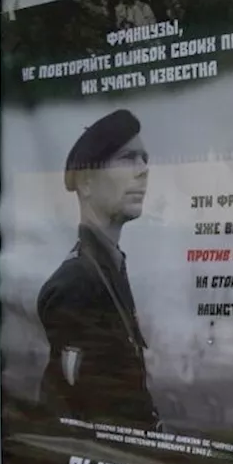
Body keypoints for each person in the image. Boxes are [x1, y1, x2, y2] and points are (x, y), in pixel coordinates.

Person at [37, 108, 157, 430]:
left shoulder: (107, 267)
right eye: (128, 158)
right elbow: (82, 410)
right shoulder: (77, 285)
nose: (144, 170)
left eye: (144, 159)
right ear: (87, 183)